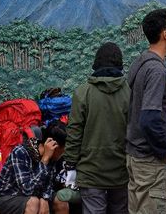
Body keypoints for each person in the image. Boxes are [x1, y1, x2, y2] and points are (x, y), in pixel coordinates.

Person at [63, 42, 130, 214]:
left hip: (90, 171)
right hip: (121, 171)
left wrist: (70, 164)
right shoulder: (129, 92)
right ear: (120, 64)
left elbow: (74, 131)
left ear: (96, 64)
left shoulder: (82, 92)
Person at [126, 8, 166, 214]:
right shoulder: (156, 70)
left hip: (135, 156)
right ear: (165, 34)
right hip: (151, 161)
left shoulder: (140, 63)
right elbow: (149, 117)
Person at [0, 122, 68, 214]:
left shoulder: (53, 157)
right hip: (3, 198)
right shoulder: (20, 152)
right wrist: (45, 160)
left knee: (61, 201)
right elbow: (27, 189)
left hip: (32, 195)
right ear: (54, 147)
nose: (63, 154)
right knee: (33, 202)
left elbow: (49, 184)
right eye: (63, 150)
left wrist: (45, 198)